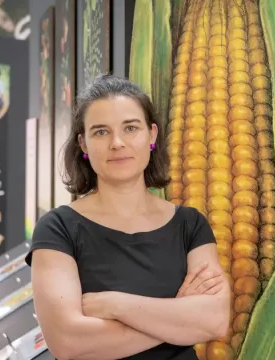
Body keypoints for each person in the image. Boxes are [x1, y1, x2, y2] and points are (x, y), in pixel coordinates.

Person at [26, 74, 231, 360]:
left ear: (152, 135)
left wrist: (115, 305)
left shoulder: (190, 225)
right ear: (83, 144)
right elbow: (68, 343)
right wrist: (178, 313)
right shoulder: (58, 228)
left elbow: (214, 320)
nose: (117, 143)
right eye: (101, 132)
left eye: (130, 128)